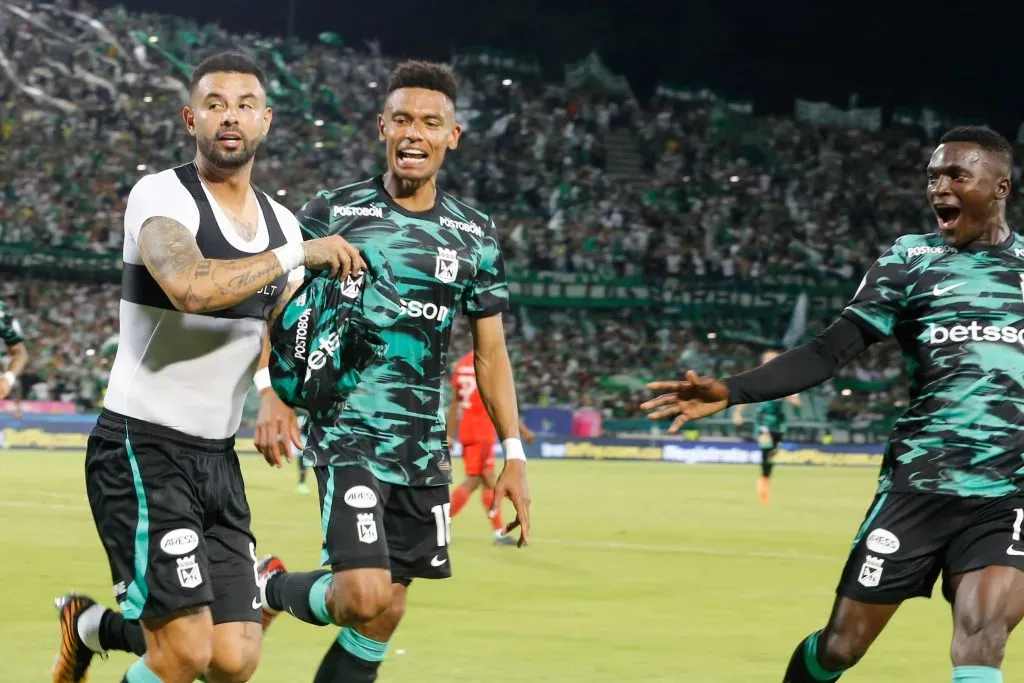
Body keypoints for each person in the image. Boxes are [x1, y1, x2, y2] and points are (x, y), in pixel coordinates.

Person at [641, 125, 1024, 683]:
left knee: (983, 635)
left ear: (1000, 187)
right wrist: (732, 389)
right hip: (919, 485)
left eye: (956, 176)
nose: (939, 187)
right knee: (842, 647)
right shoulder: (910, 261)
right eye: (933, 177)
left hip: (1007, 490)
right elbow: (828, 352)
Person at [51, 51, 364, 683]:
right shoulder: (162, 196)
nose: (231, 117)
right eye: (216, 105)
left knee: (233, 659)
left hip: (215, 458)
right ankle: (95, 630)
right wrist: (297, 254)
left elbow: (277, 319)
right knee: (184, 653)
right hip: (142, 448)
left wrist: (272, 391)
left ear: (266, 121)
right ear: (191, 118)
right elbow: (191, 287)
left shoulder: (278, 220)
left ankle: (88, 627)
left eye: (245, 105)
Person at [252, 60, 532, 683]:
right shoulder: (333, 210)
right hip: (348, 431)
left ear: (451, 137)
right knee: (362, 595)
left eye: (431, 123)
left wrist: (513, 452)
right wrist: (272, 391)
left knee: (386, 613)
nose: (414, 133)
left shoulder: (475, 236)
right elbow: (270, 302)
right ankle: (266, 586)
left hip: (422, 445)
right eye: (402, 119)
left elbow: (491, 354)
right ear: (382, 126)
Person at [446, 349, 535, 544]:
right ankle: (440, 523)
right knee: (474, 479)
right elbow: (500, 403)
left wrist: (449, 433)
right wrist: (524, 431)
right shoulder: (487, 361)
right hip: (482, 431)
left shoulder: (461, 365)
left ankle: (498, 532)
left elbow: (454, 403)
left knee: (488, 481)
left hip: (468, 429)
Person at [731, 350, 801, 504]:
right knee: (766, 446)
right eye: (767, 359)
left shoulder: (787, 380)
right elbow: (744, 396)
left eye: (774, 359)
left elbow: (797, 402)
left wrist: (793, 400)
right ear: (762, 361)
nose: (770, 362)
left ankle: (765, 478)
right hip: (763, 420)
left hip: (778, 422)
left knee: (771, 454)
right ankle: (763, 484)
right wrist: (737, 414)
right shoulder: (757, 377)